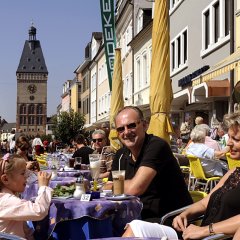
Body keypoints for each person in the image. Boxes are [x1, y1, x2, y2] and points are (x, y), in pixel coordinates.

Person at [123, 111, 240, 239]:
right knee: (136, 227)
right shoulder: (233, 172)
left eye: (236, 139)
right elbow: (204, 204)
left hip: (212, 235)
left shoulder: (157, 145)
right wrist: (184, 214)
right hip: (196, 233)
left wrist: (205, 230)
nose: (228, 143)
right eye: (229, 137)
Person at [109, 106, 192, 220]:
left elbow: (135, 189)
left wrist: (116, 185)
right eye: (121, 129)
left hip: (169, 219)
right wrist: (115, 186)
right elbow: (109, 187)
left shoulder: (156, 146)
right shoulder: (120, 155)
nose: (126, 132)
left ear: (144, 125)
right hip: (137, 216)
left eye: (132, 125)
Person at [0, 154, 52, 239]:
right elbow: (39, 211)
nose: (27, 176)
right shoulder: (5, 201)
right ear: (6, 179)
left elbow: (25, 229)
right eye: (23, 173)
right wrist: (43, 187)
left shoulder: (6, 199)